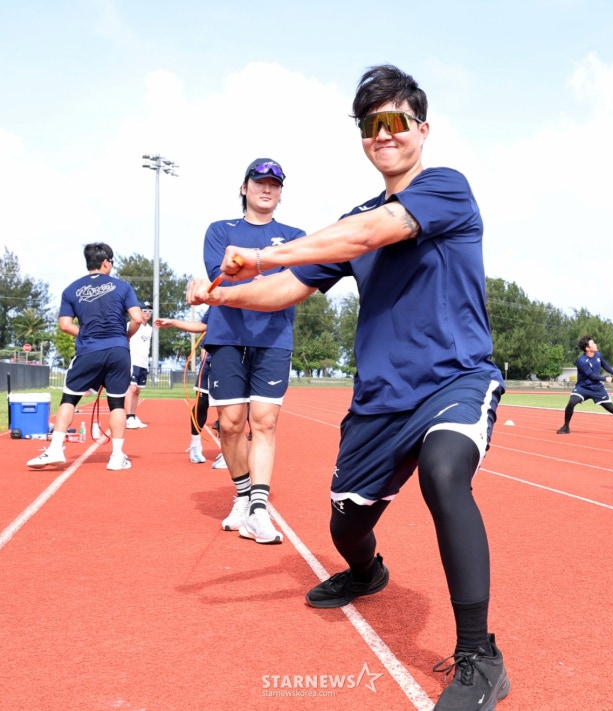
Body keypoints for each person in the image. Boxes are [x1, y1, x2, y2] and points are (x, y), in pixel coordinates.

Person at [187, 65, 509, 710]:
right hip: (379, 400)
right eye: (371, 125)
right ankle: (368, 572)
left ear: (422, 127)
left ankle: (480, 656)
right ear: (363, 137)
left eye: (395, 121)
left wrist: (265, 252)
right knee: (346, 526)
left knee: (446, 473)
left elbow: (367, 235)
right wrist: (225, 290)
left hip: (454, 378)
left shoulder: (446, 189)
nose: (383, 134)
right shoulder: (354, 215)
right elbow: (286, 290)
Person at [199, 157, 305, 545]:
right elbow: (223, 277)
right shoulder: (220, 230)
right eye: (259, 181)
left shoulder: (295, 234)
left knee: (264, 422)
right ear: (244, 187)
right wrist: (264, 274)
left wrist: (251, 270)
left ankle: (258, 508)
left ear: (280, 193)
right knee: (229, 423)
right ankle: (242, 494)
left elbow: (293, 281)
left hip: (274, 337)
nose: (266, 188)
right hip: (226, 335)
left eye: (274, 184)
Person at [27, 242, 142, 471]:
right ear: (106, 262)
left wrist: (87, 335)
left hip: (88, 350)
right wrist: (124, 336)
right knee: (117, 402)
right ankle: (117, 457)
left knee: (69, 399)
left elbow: (65, 325)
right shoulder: (123, 287)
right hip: (119, 350)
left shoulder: (71, 289)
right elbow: (137, 318)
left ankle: (56, 448)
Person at [154, 313, 226, 469]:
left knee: (227, 408)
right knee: (201, 404)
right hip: (210, 360)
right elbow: (201, 325)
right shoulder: (216, 305)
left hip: (230, 359)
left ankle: (228, 452)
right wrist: (173, 322)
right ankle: (195, 446)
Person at [557, 335, 613, 435]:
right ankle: (566, 427)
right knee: (571, 403)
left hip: (597, 388)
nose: (595, 344)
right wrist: (605, 378)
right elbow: (591, 375)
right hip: (582, 387)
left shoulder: (598, 355)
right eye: (593, 343)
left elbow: (604, 364)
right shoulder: (581, 361)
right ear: (587, 348)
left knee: (612, 408)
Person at [125, 300, 153, 429]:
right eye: (145, 310)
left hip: (143, 362)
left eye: (149, 311)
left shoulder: (150, 329)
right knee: (131, 389)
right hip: (132, 360)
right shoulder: (131, 324)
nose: (147, 313)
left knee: (137, 390)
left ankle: (133, 415)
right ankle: (127, 417)